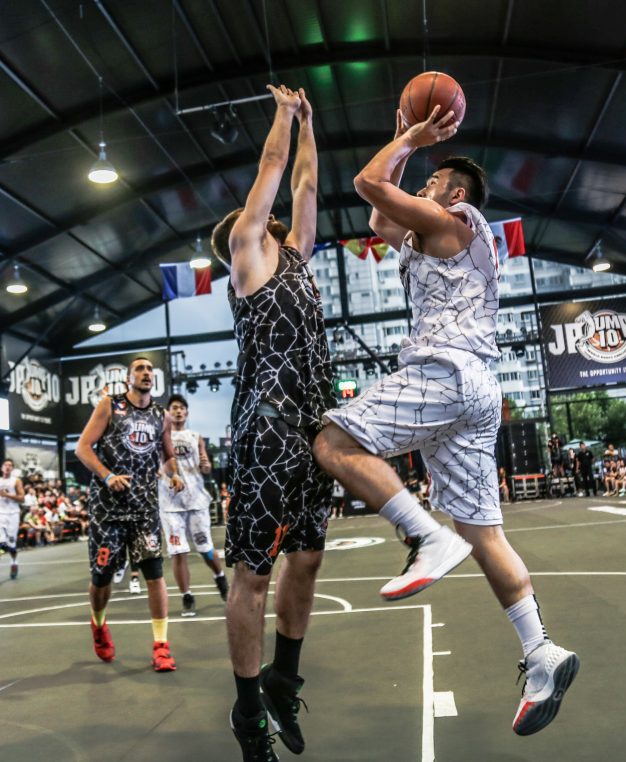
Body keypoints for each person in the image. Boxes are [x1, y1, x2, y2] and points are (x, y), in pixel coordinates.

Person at [312, 106, 579, 737]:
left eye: (431, 182)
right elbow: (379, 215)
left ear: (455, 195)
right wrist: (402, 145)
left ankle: (424, 536)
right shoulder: (432, 236)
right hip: (475, 389)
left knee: (332, 441)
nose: (421, 188)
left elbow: (369, 185)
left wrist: (410, 136)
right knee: (483, 534)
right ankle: (541, 651)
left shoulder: (455, 220)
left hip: (445, 372)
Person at [210, 84, 334, 761]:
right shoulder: (248, 253)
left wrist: (310, 123)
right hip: (266, 430)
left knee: (307, 558)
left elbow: (306, 183)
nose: (275, 212)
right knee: (253, 575)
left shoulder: (298, 260)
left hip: (313, 430)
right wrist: (283, 115)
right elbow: (273, 168)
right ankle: (248, 710)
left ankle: (284, 679)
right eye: (262, 213)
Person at [75, 357, 184, 672]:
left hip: (144, 508)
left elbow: (168, 455)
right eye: (140, 369)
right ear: (128, 378)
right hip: (107, 509)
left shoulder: (160, 415)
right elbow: (83, 448)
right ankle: (98, 624)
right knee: (101, 578)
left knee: (154, 574)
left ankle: (161, 646)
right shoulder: (109, 406)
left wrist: (174, 474)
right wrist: (108, 476)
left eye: (150, 369)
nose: (146, 373)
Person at [159, 393, 228, 616]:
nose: (178, 411)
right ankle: (186, 596)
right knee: (178, 551)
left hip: (196, 499)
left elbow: (205, 466)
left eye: (181, 408)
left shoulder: (195, 437)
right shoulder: (160, 437)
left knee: (205, 548)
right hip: (170, 503)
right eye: (174, 407)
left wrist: (206, 466)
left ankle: (220, 578)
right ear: (168, 413)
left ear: (187, 413)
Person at [0, 459, 24, 579]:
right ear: (2, 467)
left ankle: (14, 562)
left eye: (10, 465)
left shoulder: (16, 481)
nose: (8, 467)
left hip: (13, 514)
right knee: (1, 542)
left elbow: (22, 499)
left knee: (11, 544)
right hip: (0, 514)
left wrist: (7, 495)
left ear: (12, 469)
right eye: (6, 465)